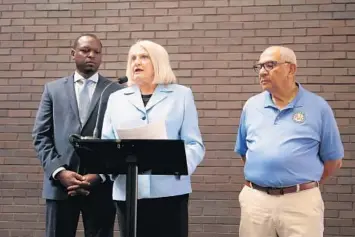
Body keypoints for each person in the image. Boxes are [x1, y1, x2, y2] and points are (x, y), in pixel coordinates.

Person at [235, 46, 344, 237]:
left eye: (270, 65)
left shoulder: (318, 107)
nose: (262, 72)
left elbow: (333, 160)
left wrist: (302, 183)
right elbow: (245, 152)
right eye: (259, 66)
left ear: (291, 69)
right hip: (256, 202)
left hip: (301, 202)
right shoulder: (251, 106)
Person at [101, 40, 205, 237]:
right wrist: (113, 169)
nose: (136, 62)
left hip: (170, 191)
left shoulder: (181, 95)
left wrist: (178, 166)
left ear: (158, 62)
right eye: (133, 58)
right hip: (128, 191)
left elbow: (194, 144)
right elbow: (107, 142)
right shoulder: (117, 98)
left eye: (143, 56)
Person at [32, 34, 122, 237]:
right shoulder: (53, 90)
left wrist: (100, 175)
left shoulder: (115, 91)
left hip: (100, 187)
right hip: (60, 185)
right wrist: (59, 172)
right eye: (85, 50)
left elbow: (119, 138)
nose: (91, 55)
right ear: (73, 54)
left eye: (97, 52)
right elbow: (41, 135)